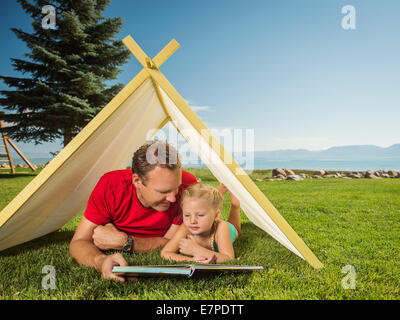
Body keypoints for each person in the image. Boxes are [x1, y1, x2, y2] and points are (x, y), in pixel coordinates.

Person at [69, 141, 197, 281]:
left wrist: (126, 242)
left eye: (176, 187)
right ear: (137, 181)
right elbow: (79, 241)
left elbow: (174, 243)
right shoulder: (111, 185)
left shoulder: (188, 186)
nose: (173, 198)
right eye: (163, 191)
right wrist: (100, 261)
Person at [161, 183, 241, 264]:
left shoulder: (222, 227)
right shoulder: (185, 227)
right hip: (212, 221)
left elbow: (228, 259)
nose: (192, 221)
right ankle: (218, 194)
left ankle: (235, 206)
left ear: (216, 215)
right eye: (187, 215)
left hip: (230, 230)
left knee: (236, 229)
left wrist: (196, 250)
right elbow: (165, 253)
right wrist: (193, 260)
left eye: (200, 215)